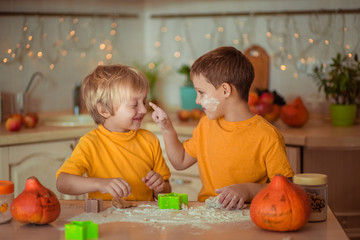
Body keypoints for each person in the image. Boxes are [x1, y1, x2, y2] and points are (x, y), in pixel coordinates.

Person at [150, 46, 294, 210]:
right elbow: (180, 161)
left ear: (225, 90)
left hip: (249, 216)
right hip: (207, 215)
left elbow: (285, 186)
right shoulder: (206, 125)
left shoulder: (267, 135)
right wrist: (167, 128)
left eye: (201, 92)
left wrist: (247, 190)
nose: (197, 100)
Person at [56, 64, 171, 201]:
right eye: (134, 104)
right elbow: (62, 182)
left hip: (144, 219)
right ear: (104, 110)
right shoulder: (90, 143)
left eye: (144, 102)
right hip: (105, 219)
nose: (143, 110)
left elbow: (167, 190)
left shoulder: (149, 140)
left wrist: (160, 187)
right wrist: (100, 183)